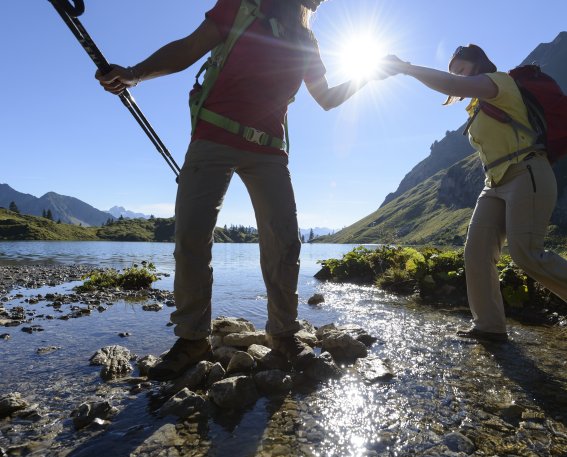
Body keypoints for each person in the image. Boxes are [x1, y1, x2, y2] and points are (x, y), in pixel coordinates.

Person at [97, 0, 387, 380]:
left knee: (284, 240)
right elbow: (188, 49)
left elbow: (327, 98)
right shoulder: (240, 6)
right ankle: (192, 339)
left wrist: (369, 74)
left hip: (269, 149)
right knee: (192, 237)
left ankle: (283, 332)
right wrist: (133, 74)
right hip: (212, 136)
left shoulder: (306, 40)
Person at [383, 44, 567, 343]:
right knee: (476, 254)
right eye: (453, 70)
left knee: (526, 254)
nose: (456, 75)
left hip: (527, 170)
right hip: (494, 182)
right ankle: (489, 326)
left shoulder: (498, 83)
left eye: (461, 69)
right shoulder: (478, 104)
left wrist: (406, 67)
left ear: (477, 64)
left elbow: (455, 86)